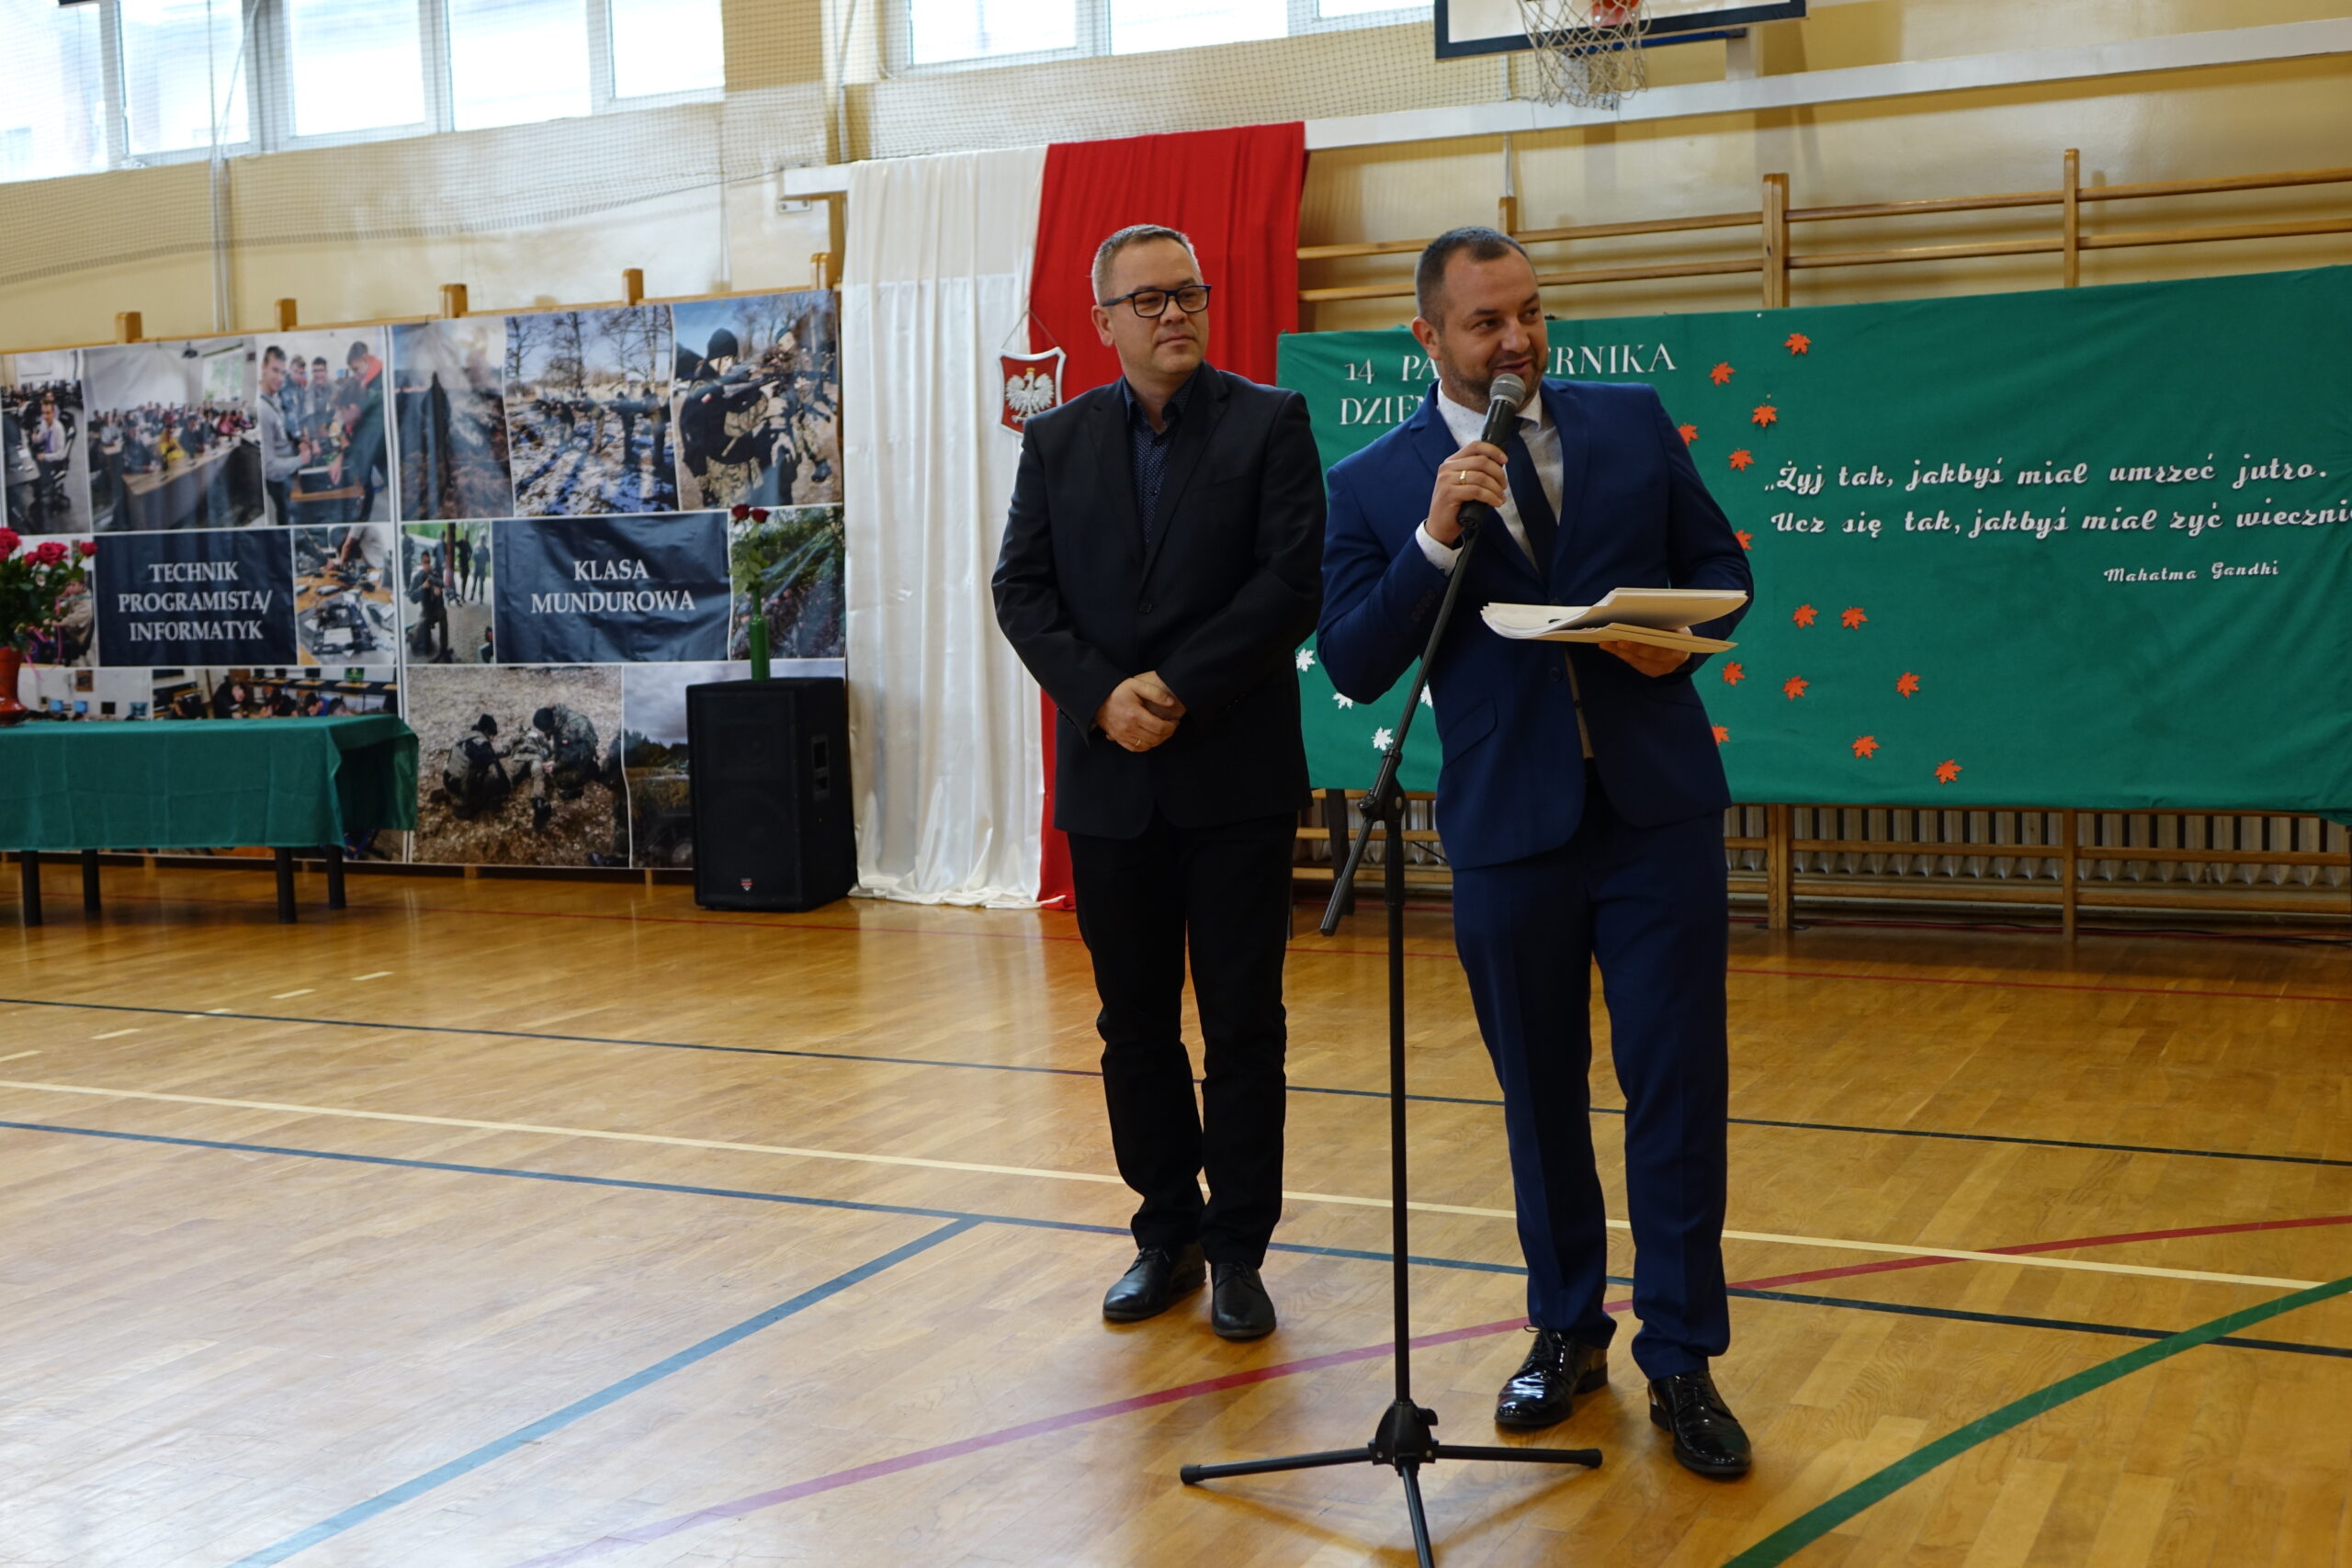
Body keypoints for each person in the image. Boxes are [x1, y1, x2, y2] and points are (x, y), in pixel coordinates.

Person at [1317, 228, 1755, 1477]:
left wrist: (1684, 638)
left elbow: (1722, 566)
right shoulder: (1376, 481)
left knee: (1676, 1088)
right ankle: (1565, 1329)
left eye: (1530, 313)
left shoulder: (1630, 420)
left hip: (1656, 810)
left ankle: (1683, 1356)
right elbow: (1354, 658)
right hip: (1509, 827)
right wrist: (1434, 538)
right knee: (1540, 1095)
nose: (1517, 341)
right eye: (1485, 322)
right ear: (1427, 337)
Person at [993, 223, 1325, 1342]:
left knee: (1243, 1027)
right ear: (1103, 323)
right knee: (1132, 1028)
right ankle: (1164, 1233)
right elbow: (1020, 589)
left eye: (1188, 292)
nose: (1174, 312)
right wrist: (1101, 697)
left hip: (1233, 778)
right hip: (1110, 782)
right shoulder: (1057, 439)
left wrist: (1172, 688)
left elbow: (1289, 583)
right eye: (1148, 299)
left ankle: (1238, 1251)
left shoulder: (1270, 421)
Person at [259, 347, 308, 525]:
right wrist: (301, 460)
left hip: (289, 464)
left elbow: (286, 424)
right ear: (263, 367)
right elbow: (270, 468)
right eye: (275, 370)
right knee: (286, 514)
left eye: (282, 372)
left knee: (293, 507)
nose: (280, 378)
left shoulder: (275, 396)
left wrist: (298, 440)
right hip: (279, 477)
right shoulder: (263, 409)